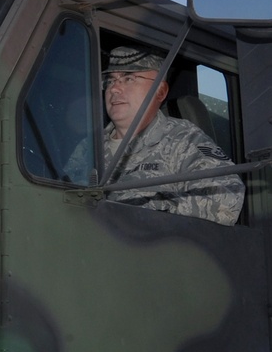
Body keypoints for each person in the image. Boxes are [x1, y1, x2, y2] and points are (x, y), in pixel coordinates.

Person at [66, 46, 244, 225]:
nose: (115, 89)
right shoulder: (87, 148)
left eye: (129, 78)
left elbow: (227, 198)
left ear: (160, 91)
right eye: (111, 81)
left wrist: (151, 218)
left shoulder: (182, 139)